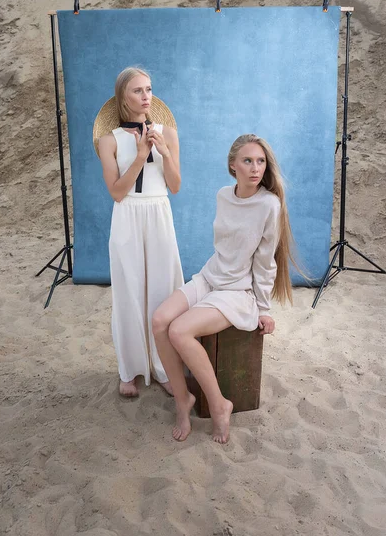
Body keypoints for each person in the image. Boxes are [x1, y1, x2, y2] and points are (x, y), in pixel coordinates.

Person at [152, 134, 295, 443]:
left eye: (260, 161)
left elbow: (266, 262)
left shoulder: (269, 205)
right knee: (160, 321)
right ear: (233, 165)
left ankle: (219, 405)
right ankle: (183, 400)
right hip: (209, 276)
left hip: (236, 292)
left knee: (179, 331)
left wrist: (264, 309)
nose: (255, 168)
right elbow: (224, 247)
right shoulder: (222, 195)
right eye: (247, 161)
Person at [98, 67, 184, 397]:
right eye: (137, 90)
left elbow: (174, 186)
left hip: (159, 212)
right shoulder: (110, 141)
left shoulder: (169, 134)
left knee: (164, 288)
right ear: (123, 97)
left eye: (148, 89)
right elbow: (117, 192)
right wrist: (140, 156)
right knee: (128, 290)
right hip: (127, 215)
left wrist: (162, 152)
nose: (146, 96)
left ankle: (164, 366)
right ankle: (130, 368)